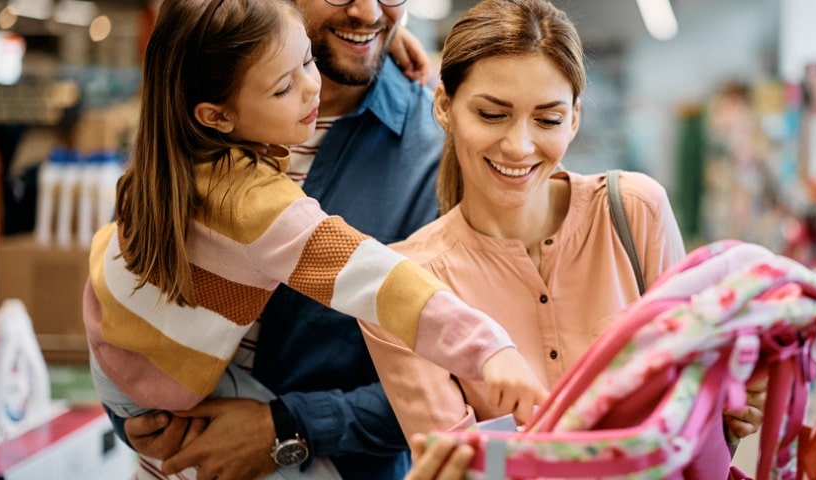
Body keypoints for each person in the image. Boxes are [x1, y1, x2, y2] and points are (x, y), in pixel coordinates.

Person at [86, 0, 547, 478]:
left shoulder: (440, 150)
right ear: (217, 114)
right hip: (172, 420)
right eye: (287, 81)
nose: (369, 12)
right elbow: (375, 277)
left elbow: (455, 387)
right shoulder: (213, 82)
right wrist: (141, 406)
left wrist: (289, 427)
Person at [360, 0, 767, 456]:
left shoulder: (635, 212)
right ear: (444, 106)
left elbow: (690, 406)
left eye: (548, 119)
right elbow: (457, 468)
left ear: (574, 118)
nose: (519, 146)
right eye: (492, 115)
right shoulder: (404, 285)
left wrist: (726, 405)